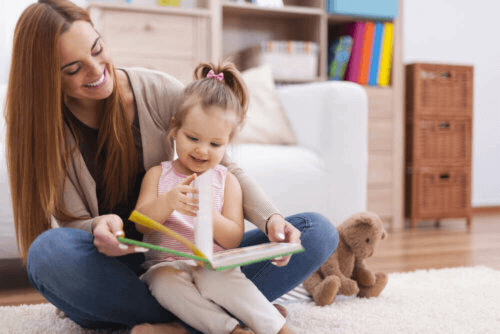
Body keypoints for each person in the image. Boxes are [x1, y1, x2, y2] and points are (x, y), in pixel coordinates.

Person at [5, 0, 339, 333]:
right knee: (47, 255)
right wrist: (96, 227)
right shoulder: (48, 132)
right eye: (73, 69)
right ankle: (229, 316)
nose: (96, 70)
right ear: (47, 78)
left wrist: (272, 220)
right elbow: (70, 223)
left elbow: (226, 169)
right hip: (126, 272)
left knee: (316, 232)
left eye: (97, 49)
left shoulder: (158, 91)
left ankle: (176, 325)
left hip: (201, 262)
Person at [134, 61, 294, 334]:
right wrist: (168, 202)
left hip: (214, 266)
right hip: (166, 265)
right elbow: (140, 224)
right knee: (165, 285)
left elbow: (232, 239)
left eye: (215, 144)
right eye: (193, 138)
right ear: (174, 130)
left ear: (227, 143)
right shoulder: (157, 175)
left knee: (228, 285)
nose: (202, 151)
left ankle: (276, 328)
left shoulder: (227, 181)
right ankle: (231, 330)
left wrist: (210, 215)